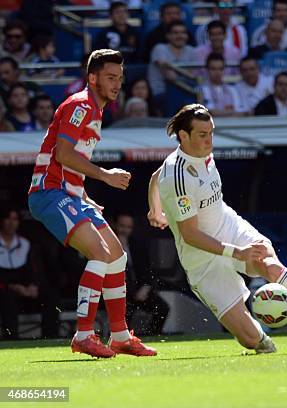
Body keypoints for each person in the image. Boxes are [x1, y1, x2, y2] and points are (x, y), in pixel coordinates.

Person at [147, 104, 287, 353]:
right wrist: (237, 252)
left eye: (211, 132)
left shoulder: (199, 152)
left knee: (270, 265)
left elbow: (154, 177)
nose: (209, 140)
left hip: (229, 226)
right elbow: (190, 235)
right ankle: (262, 335)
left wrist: (154, 209)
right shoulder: (177, 176)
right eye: (202, 134)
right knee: (251, 341)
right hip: (201, 258)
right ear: (184, 136)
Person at [27, 49, 156, 358]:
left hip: (69, 193)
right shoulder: (81, 105)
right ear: (93, 78)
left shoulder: (95, 111)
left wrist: (84, 195)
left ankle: (121, 336)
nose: (117, 84)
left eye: (120, 78)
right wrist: (105, 176)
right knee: (99, 252)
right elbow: (63, 155)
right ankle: (83, 335)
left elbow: (72, 161)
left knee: (116, 255)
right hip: (49, 192)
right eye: (110, 78)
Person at [0, 206, 59, 340]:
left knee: (50, 295)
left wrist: (33, 285)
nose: (11, 223)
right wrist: (11, 287)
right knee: (7, 298)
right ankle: (11, 338)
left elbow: (34, 269)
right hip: (5, 291)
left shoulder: (25, 244)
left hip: (25, 290)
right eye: (7, 219)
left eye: (14, 219)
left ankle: (50, 337)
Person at [113, 213, 169, 336]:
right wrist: (119, 248)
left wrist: (146, 287)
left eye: (128, 227)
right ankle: (121, 338)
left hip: (138, 290)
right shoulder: (109, 244)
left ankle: (152, 335)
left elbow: (147, 269)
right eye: (122, 226)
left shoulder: (137, 244)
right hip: (119, 292)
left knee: (162, 308)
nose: (124, 230)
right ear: (115, 225)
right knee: (124, 311)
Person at [147, 21, 197, 101]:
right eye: (175, 33)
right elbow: (170, 76)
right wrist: (186, 74)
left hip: (187, 92)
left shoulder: (191, 50)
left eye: (183, 33)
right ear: (168, 36)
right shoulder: (159, 48)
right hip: (162, 93)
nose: (180, 36)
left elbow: (193, 75)